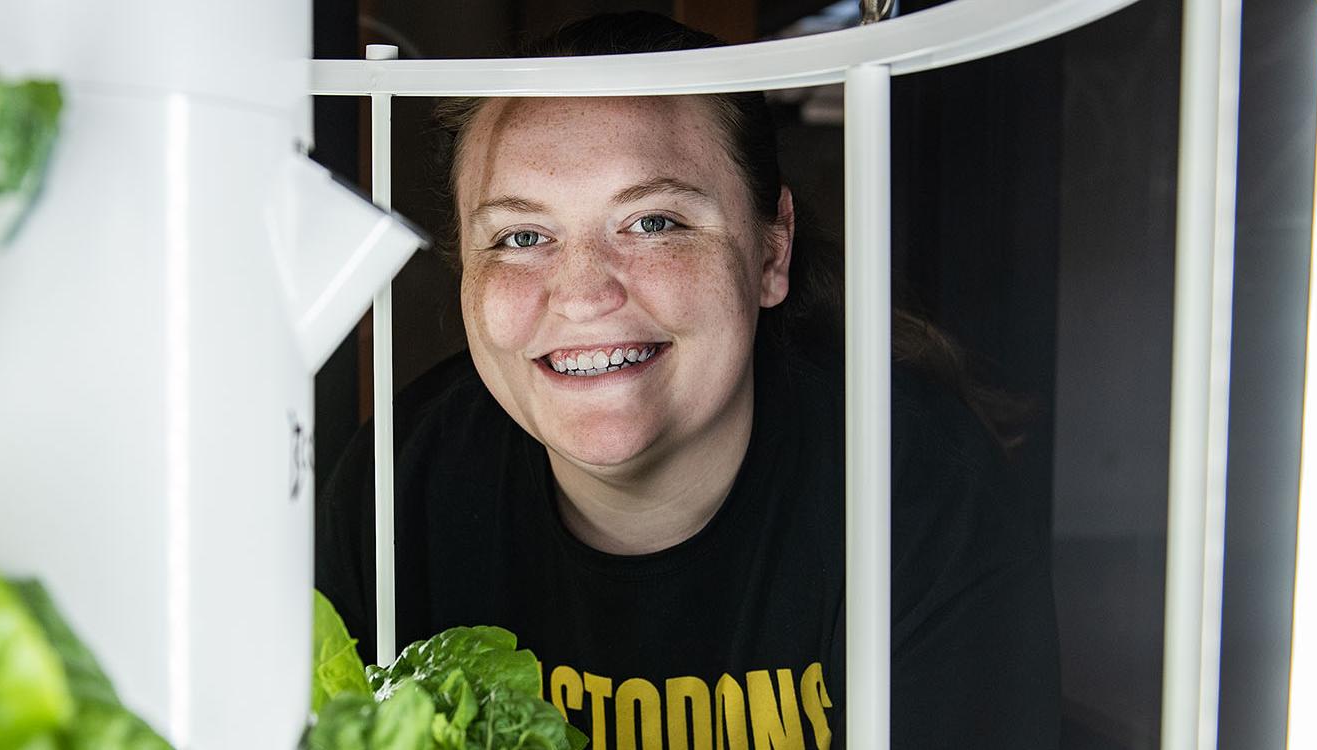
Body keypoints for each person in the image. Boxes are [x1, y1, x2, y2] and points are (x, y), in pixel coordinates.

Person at [317, 12, 1058, 749]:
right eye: (521, 237)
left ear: (772, 253)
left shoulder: (922, 494)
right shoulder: (395, 486)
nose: (581, 294)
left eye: (653, 222)